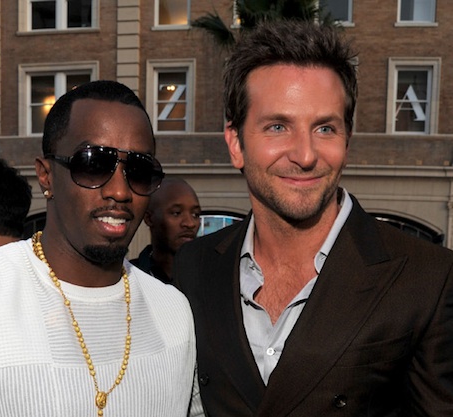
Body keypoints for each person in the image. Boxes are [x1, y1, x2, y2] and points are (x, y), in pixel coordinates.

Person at [174, 20, 453, 416]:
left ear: (347, 141)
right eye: (277, 126)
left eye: (325, 128)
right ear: (236, 144)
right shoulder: (195, 267)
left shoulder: (429, 278)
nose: (305, 155)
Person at [0, 80, 199, 417]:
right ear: (46, 176)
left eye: (138, 171)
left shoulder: (174, 311)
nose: (120, 191)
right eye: (93, 164)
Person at [131, 177, 201, 283]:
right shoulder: (129, 277)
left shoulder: (210, 274)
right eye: (176, 213)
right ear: (149, 218)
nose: (190, 223)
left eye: (195, 214)